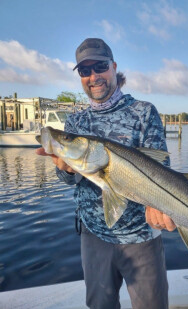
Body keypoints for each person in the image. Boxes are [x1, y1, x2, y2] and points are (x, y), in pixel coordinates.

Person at [36, 38, 176, 309]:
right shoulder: (76, 122)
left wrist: (161, 207)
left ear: (113, 67)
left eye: (99, 67)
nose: (93, 76)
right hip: (93, 236)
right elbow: (70, 179)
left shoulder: (143, 112)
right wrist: (63, 169)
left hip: (141, 238)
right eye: (85, 71)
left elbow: (161, 172)